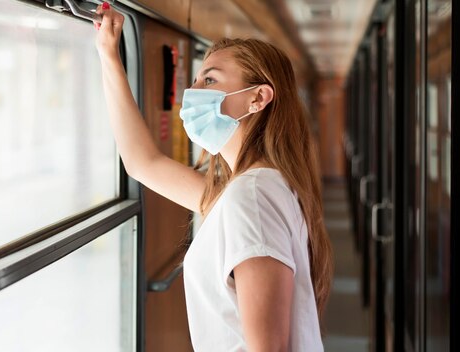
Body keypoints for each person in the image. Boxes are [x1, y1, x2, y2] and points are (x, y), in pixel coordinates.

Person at [94, 2, 333, 351]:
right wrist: (109, 55)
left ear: (258, 98)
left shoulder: (251, 196)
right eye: (196, 79)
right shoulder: (252, 187)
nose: (195, 92)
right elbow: (143, 163)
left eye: (210, 79)